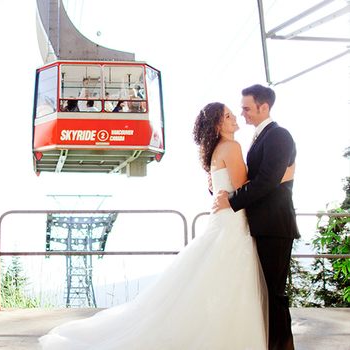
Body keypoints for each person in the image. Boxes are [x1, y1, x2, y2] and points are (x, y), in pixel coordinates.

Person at [39, 102, 269, 349]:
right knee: (230, 282)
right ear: (216, 125)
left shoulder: (216, 150)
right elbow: (245, 188)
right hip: (232, 223)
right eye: (227, 115)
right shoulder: (232, 147)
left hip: (223, 221)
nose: (235, 116)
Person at [213, 84, 300, 350]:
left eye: (247, 108)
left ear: (264, 107)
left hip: (275, 226)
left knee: (275, 294)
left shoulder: (278, 136)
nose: (243, 113)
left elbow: (266, 181)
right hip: (261, 225)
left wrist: (231, 199)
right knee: (265, 293)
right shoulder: (259, 138)